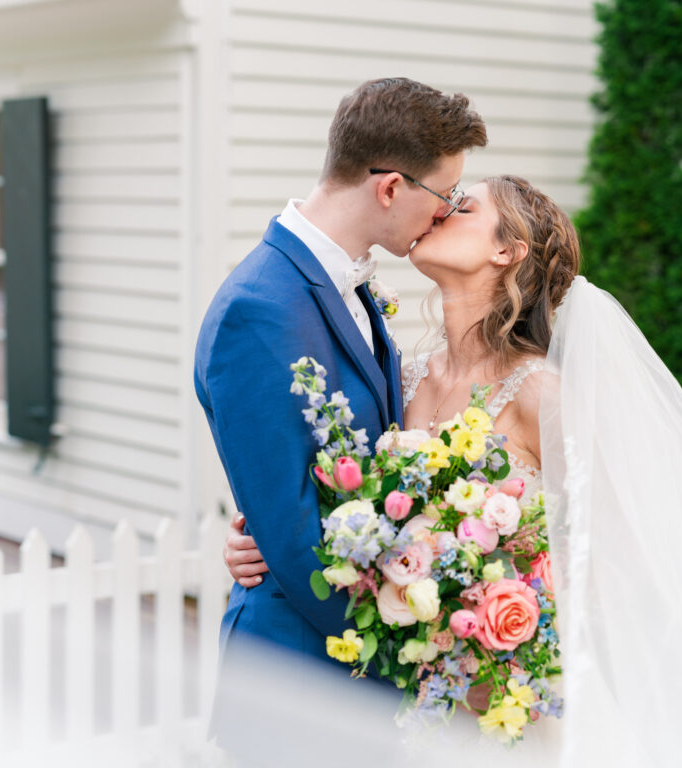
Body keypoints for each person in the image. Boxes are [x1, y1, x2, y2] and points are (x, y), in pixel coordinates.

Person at [224, 174, 682, 765]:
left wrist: (507, 641)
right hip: (407, 688)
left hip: (506, 698)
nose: (441, 207)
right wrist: (253, 535)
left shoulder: (540, 395)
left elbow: (613, 560)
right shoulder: (396, 376)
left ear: (509, 252)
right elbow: (347, 499)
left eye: (464, 206)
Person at [194, 77, 487, 745]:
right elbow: (293, 535)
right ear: (389, 187)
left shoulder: (340, 285)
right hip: (300, 681)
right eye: (443, 197)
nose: (443, 215)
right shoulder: (260, 308)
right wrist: (410, 648)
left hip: (353, 682)